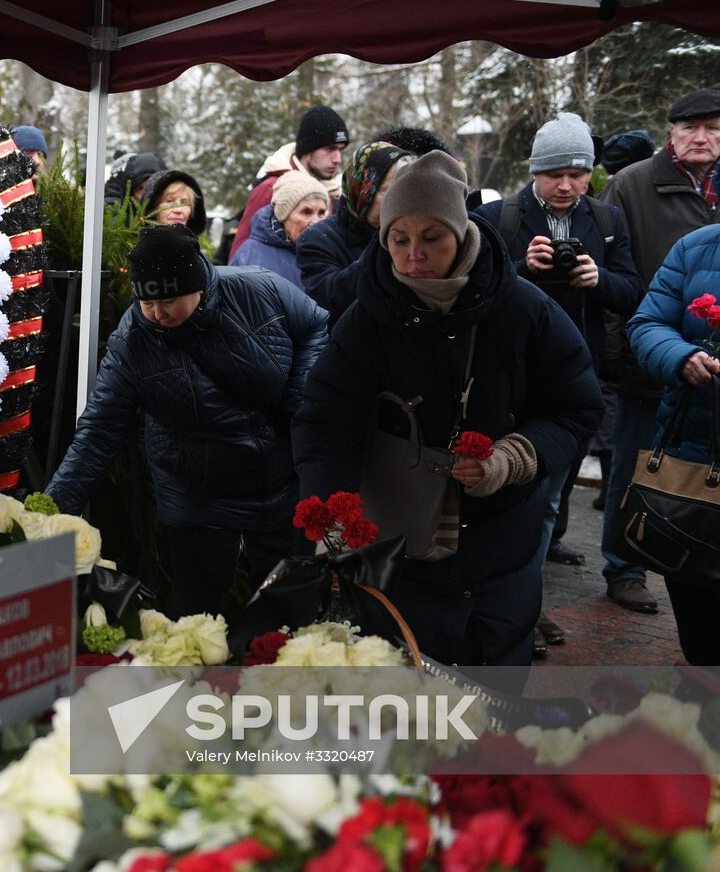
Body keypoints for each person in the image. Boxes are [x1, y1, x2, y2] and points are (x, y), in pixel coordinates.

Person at [293, 151, 602, 667]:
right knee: (412, 696)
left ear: (460, 234)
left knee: (494, 688)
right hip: (400, 539)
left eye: (431, 237)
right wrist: (331, 512)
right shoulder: (364, 320)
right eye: (399, 239)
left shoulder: (525, 309)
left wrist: (514, 457)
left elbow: (575, 406)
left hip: (501, 539)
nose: (414, 253)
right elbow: (324, 420)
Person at [47, 224, 328, 618]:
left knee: (288, 601)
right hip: (196, 489)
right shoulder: (132, 342)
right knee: (195, 605)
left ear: (198, 285)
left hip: (278, 476)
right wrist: (51, 508)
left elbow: (317, 325)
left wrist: (299, 403)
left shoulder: (258, 289)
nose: (158, 313)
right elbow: (99, 429)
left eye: (170, 299)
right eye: (148, 302)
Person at [476, 113, 643, 632]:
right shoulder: (500, 218)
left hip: (576, 380)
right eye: (555, 174)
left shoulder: (608, 221)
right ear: (535, 172)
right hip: (509, 378)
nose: (567, 185)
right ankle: (501, 599)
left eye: (578, 173)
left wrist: (599, 278)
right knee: (502, 495)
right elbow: (473, 288)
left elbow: (634, 291)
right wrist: (523, 268)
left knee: (550, 500)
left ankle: (529, 602)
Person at [598, 89, 720, 612]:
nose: (701, 137)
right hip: (648, 357)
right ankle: (626, 565)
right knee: (636, 470)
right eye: (689, 127)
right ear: (670, 132)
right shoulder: (632, 184)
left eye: (712, 127)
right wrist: (615, 356)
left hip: (705, 383)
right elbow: (608, 274)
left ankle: (695, 552)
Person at [626, 222, 720, 664]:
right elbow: (648, 323)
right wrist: (681, 356)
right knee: (700, 623)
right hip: (695, 469)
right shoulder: (696, 248)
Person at [296, 140, 414, 321]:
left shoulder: (414, 236)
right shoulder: (317, 239)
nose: (399, 201)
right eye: (389, 191)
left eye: (404, 192)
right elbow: (331, 300)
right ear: (363, 190)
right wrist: (384, 243)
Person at [230, 105, 349, 249]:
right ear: (308, 149)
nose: (337, 159)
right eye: (330, 149)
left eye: (340, 150)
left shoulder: (332, 193)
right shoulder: (272, 187)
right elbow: (243, 252)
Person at [228, 171, 329, 288]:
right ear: (283, 215)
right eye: (306, 212)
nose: (316, 222)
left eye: (321, 213)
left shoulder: (329, 251)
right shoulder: (250, 257)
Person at [142, 168, 207, 234]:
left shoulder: (197, 244)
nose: (178, 210)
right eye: (170, 201)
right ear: (153, 207)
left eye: (184, 203)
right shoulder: (138, 244)